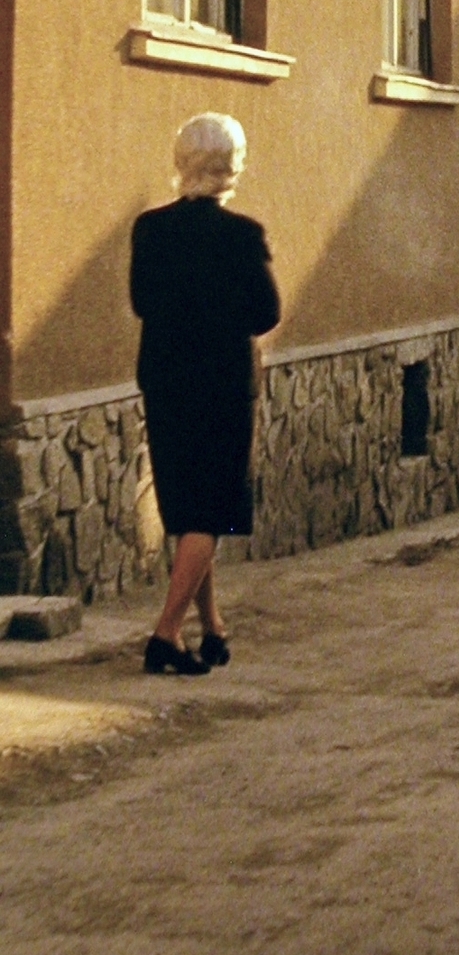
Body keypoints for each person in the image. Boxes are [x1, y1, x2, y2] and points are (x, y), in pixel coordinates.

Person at [131, 114, 281, 676]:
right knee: (211, 509)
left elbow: (142, 302)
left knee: (191, 509)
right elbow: (266, 313)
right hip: (221, 383)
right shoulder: (242, 234)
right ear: (231, 165)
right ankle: (166, 634)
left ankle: (212, 627)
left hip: (167, 380)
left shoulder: (148, 229)